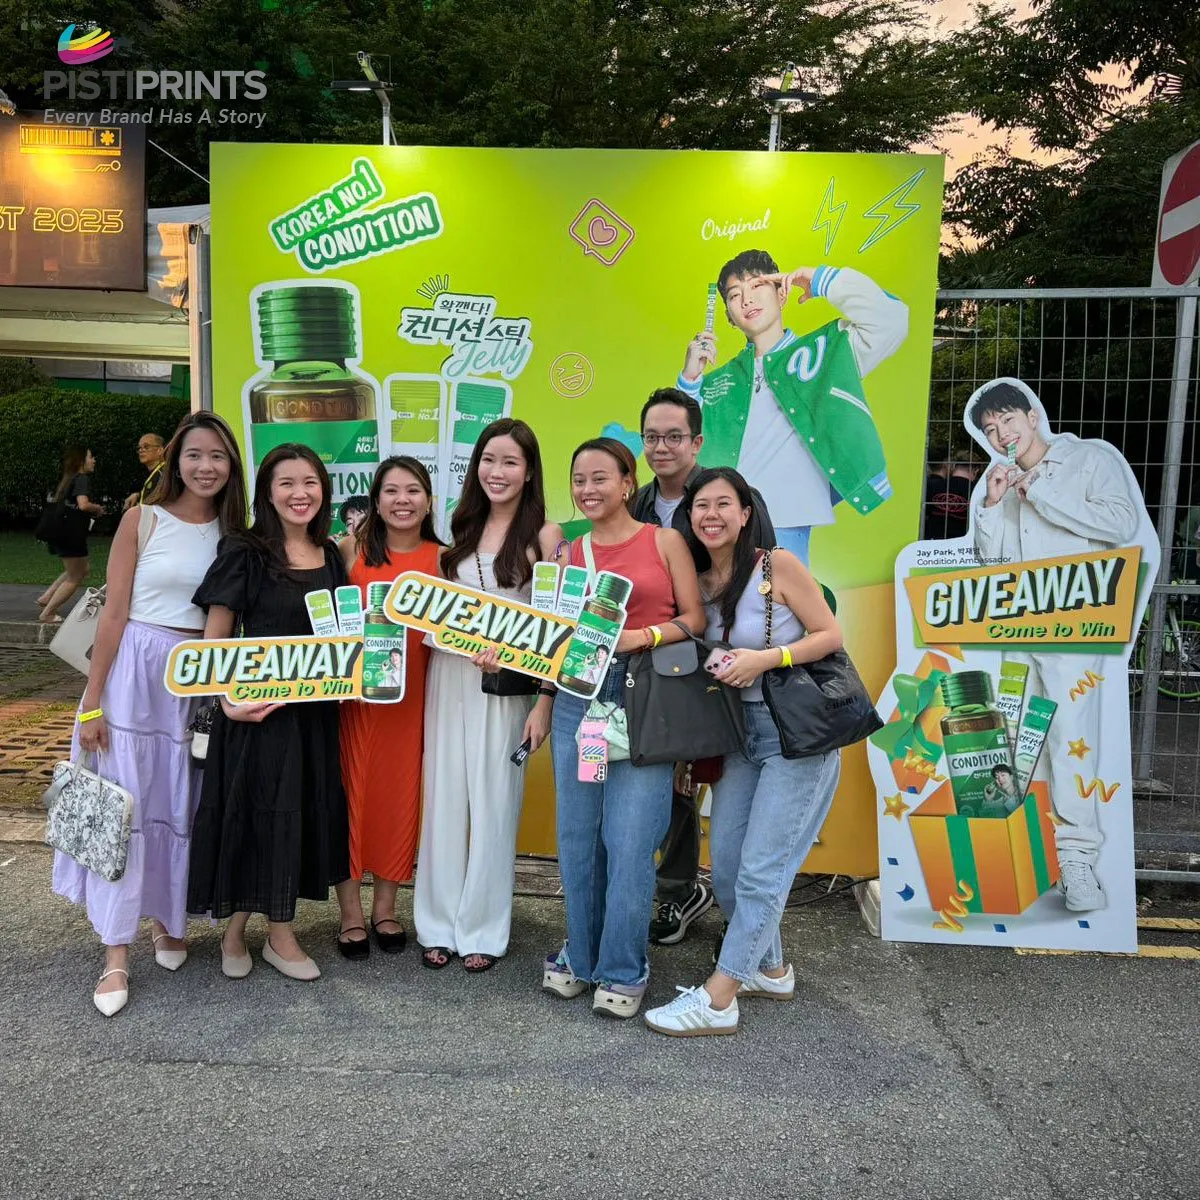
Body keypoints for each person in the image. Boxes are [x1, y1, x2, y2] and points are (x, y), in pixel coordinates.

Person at [52, 414, 247, 1016]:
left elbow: (228, 617)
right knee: (126, 807)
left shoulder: (236, 533)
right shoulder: (143, 519)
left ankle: (165, 920)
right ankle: (115, 953)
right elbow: (111, 616)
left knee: (177, 803)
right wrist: (93, 700)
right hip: (135, 671)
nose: (206, 466)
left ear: (231, 464)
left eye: (218, 455)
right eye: (195, 454)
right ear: (175, 460)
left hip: (194, 680)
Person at [643, 467, 843, 1037]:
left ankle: (720, 997)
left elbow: (830, 635)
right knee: (728, 867)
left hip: (794, 734)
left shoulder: (776, 566)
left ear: (746, 512)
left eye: (723, 504)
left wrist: (764, 660)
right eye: (701, 505)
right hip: (736, 734)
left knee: (762, 871)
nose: (711, 514)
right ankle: (771, 969)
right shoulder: (700, 583)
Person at [544, 437, 705, 1019]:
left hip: (643, 705)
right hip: (579, 707)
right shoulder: (567, 555)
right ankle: (580, 956)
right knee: (580, 840)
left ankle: (621, 967)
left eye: (600, 478)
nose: (588, 489)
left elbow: (694, 619)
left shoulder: (664, 541)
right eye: (578, 479)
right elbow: (552, 641)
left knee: (633, 841)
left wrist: (644, 638)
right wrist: (539, 693)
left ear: (626, 481)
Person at [970, 379, 1141, 912]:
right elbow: (991, 567)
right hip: (1018, 629)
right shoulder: (998, 479)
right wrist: (994, 507)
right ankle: (1036, 858)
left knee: (1070, 738)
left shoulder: (1089, 460)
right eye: (991, 430)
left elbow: (1121, 523)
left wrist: (1037, 491)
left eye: (1007, 421)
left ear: (1031, 414)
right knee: (1022, 739)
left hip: (1074, 625)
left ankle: (1078, 862)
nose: (1002, 435)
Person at [187, 444, 350, 981]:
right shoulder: (246, 549)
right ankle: (248, 931)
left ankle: (273, 931)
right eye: (286, 483)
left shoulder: (330, 554)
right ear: (267, 491)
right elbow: (217, 630)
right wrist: (224, 701)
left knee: (295, 816)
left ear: (323, 490)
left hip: (313, 718)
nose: (299, 493)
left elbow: (344, 639)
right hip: (255, 714)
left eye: (310, 482)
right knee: (255, 815)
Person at [415, 419, 563, 972]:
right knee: (445, 796)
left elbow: (556, 624)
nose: (496, 472)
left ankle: (482, 927)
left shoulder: (546, 536)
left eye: (509, 462)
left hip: (505, 688)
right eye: (488, 460)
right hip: (448, 676)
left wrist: (545, 697)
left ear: (529, 472)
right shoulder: (460, 527)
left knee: (495, 800)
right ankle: (435, 921)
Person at [632, 386, 777, 947]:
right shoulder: (638, 502)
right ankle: (678, 890)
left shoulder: (730, 494)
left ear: (696, 441)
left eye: (674, 436)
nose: (661, 446)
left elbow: (761, 577)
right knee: (672, 780)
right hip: (657, 659)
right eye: (651, 436)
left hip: (725, 661)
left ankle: (748, 928)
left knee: (730, 792)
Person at [677, 252, 908, 566]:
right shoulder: (720, 379)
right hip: (719, 525)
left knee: (779, 611)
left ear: (781, 292)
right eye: (735, 295)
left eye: (758, 285)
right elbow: (680, 440)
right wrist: (691, 379)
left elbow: (891, 318)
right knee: (716, 612)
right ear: (729, 315)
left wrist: (819, 280)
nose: (747, 299)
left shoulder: (825, 352)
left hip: (785, 520)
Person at [335, 456, 442, 959]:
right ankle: (350, 913)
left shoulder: (445, 559)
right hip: (355, 701)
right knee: (351, 797)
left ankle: (386, 908)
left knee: (399, 798)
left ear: (429, 500)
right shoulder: (349, 550)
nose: (403, 501)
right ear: (375, 500)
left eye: (414, 491)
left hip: (415, 699)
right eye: (392, 491)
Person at [38, 447, 105, 624]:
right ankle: (48, 613)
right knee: (77, 575)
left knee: (78, 570)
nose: (94, 460)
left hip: (60, 533)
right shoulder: (82, 479)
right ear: (81, 461)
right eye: (91, 457)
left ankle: (47, 597)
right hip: (71, 534)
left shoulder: (68, 478)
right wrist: (97, 508)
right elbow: (83, 505)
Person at [123, 433, 166, 510]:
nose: (141, 450)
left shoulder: (165, 473)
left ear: (160, 450)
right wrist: (138, 495)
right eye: (139, 448)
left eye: (146, 447)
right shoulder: (152, 473)